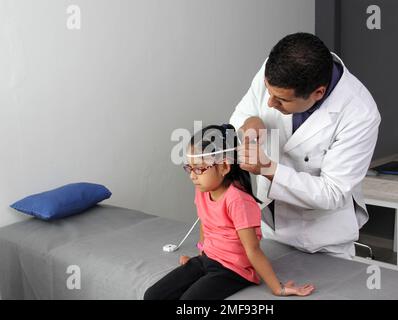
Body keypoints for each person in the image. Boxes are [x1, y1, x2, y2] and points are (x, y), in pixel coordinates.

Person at [230, 32, 381, 259]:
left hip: (321, 239)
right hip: (268, 228)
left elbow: (333, 192)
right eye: (269, 93)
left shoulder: (360, 113)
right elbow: (243, 113)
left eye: (281, 100)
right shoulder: (275, 71)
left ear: (318, 93)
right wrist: (249, 123)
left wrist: (268, 169)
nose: (270, 103)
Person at [143, 124, 314, 300]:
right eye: (189, 167)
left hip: (233, 269)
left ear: (224, 167)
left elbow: (253, 249)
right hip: (208, 259)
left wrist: (278, 289)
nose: (192, 175)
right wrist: (201, 253)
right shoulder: (202, 190)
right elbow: (205, 222)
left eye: (199, 168)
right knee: (152, 296)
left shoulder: (238, 201)